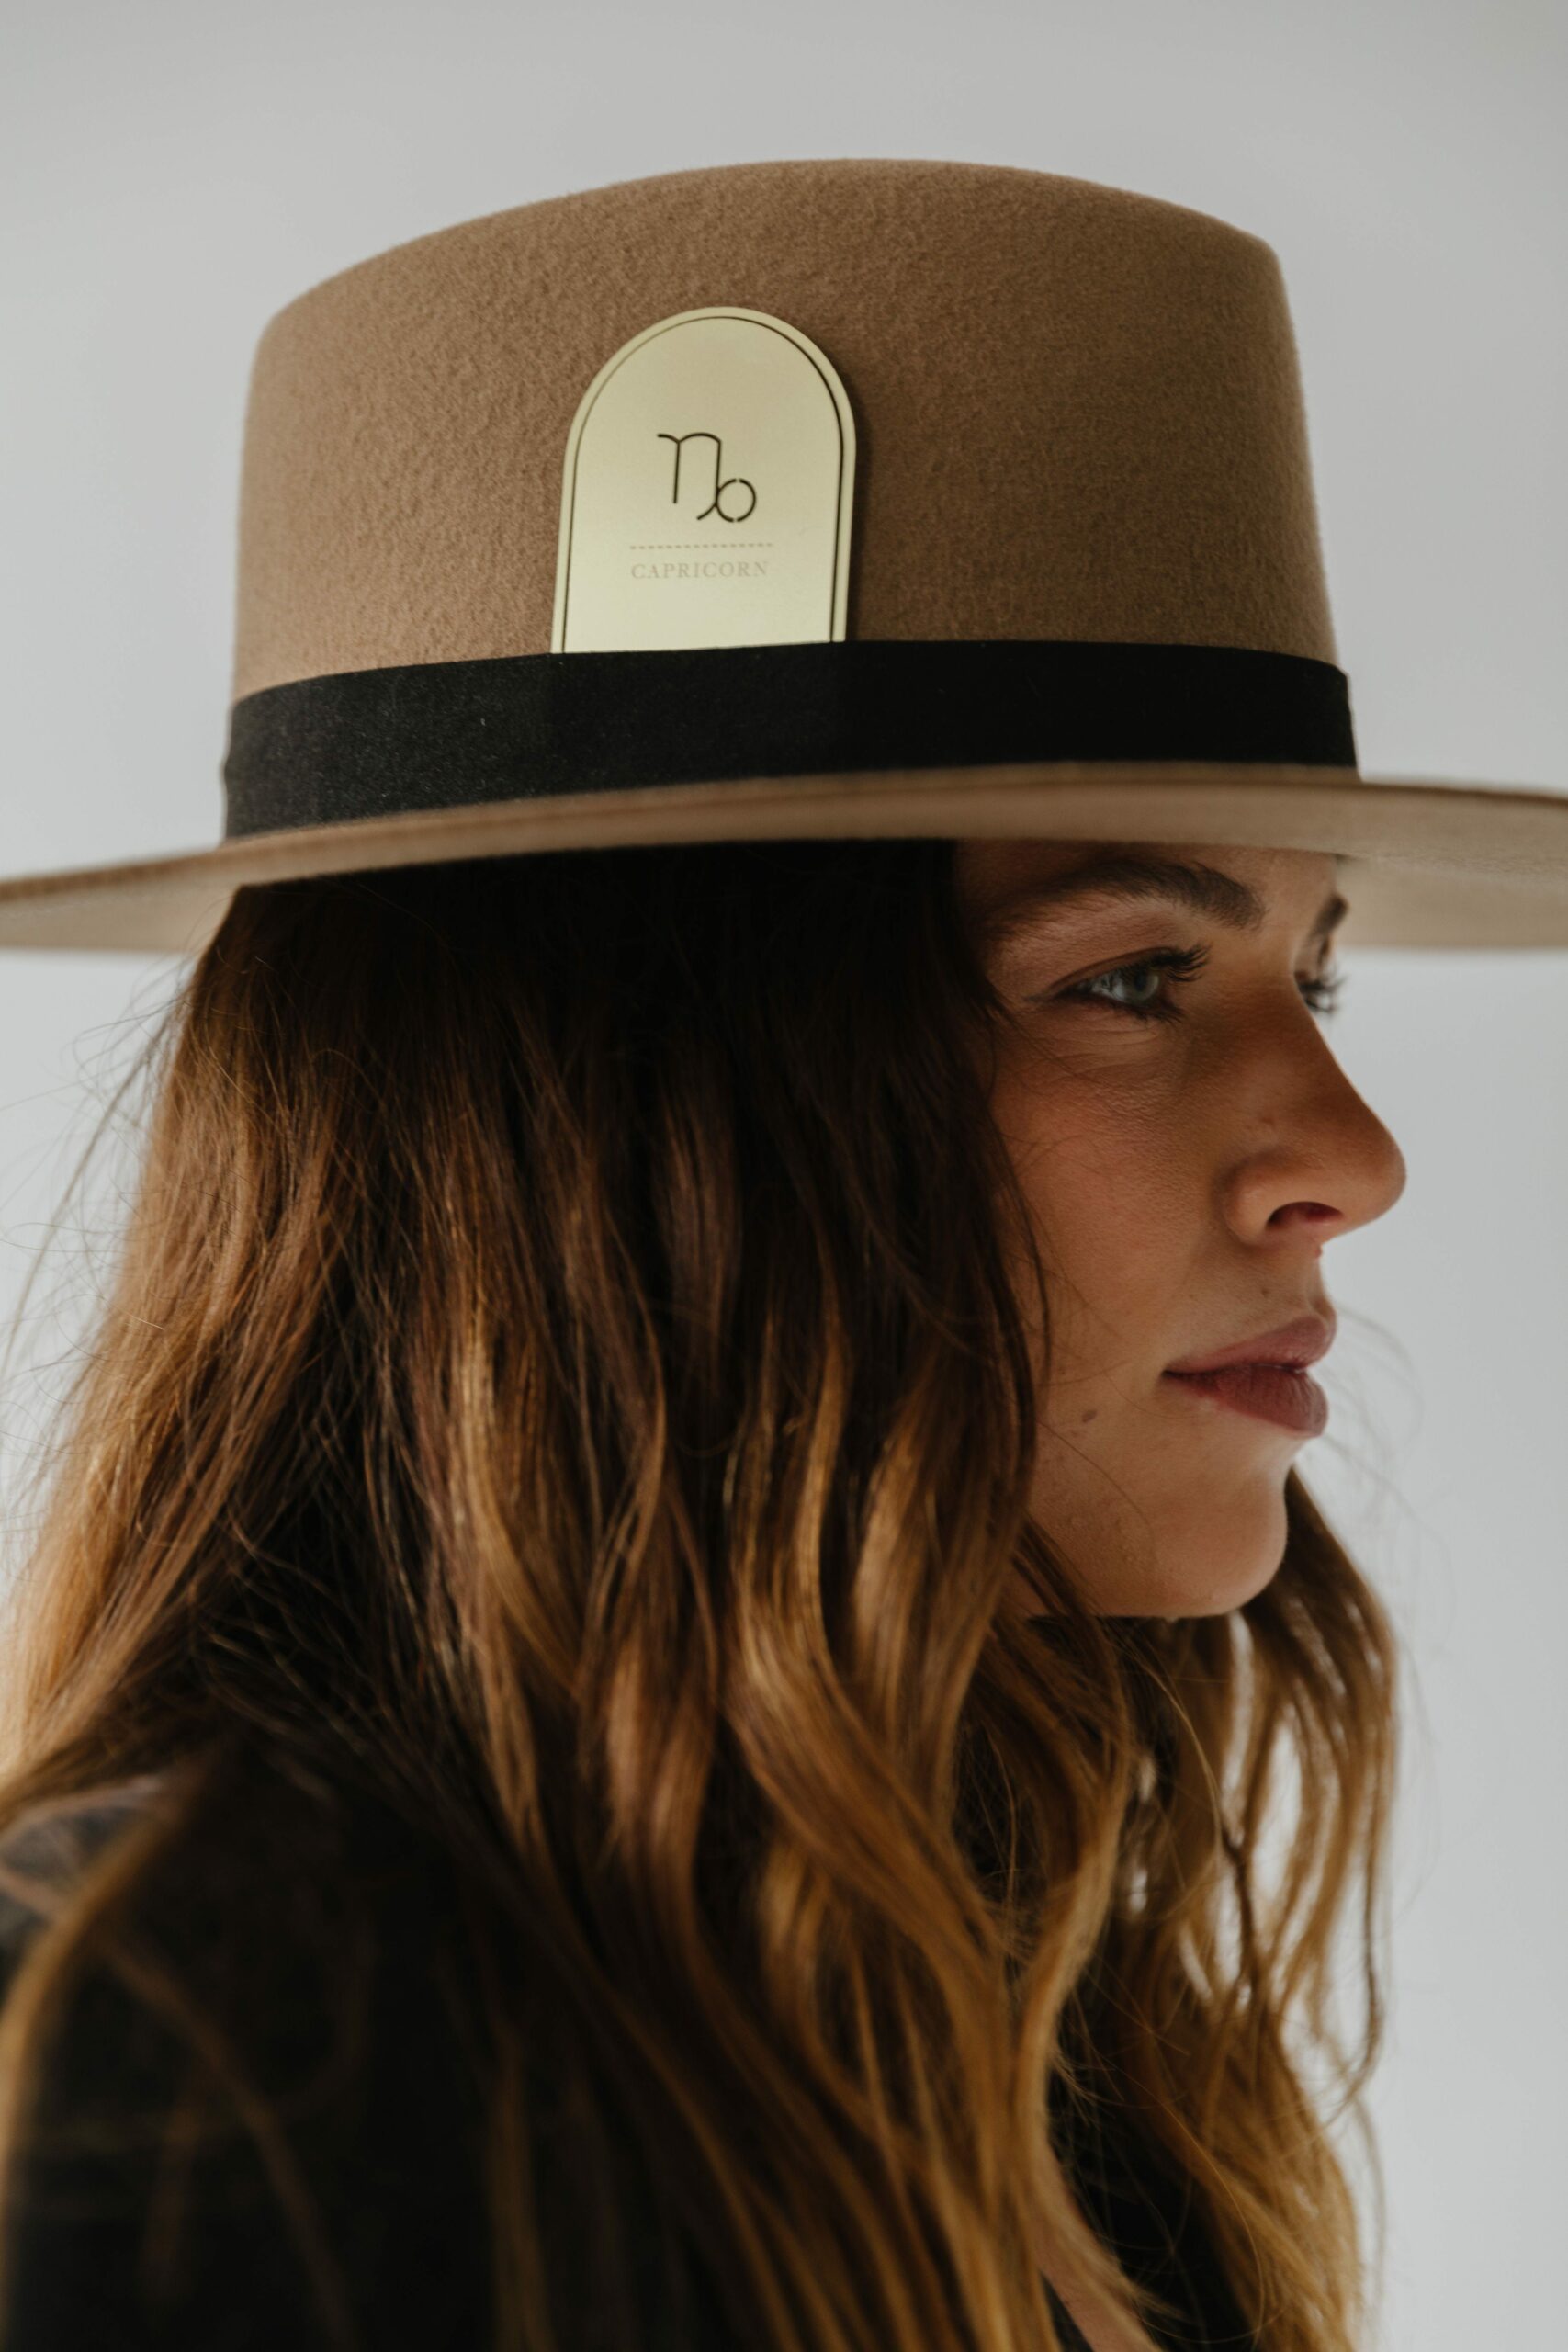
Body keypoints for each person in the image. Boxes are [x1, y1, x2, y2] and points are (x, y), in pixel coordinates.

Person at [0, 158, 1562, 2352]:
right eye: (1131, 975)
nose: (1353, 1156)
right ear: (618, 1096)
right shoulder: (170, 2060)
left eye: (1314, 974)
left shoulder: (1051, 2060)